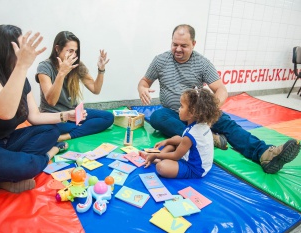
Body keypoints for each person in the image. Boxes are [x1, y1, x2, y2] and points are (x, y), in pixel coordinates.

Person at [137, 24, 300, 174]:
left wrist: (208, 110)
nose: (178, 49)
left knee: (227, 123)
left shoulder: (202, 63)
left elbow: (221, 89)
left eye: (184, 45)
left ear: (194, 44)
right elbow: (144, 81)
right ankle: (208, 138)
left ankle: (264, 153)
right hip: (172, 113)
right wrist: (142, 88)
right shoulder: (160, 60)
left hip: (197, 114)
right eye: (175, 44)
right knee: (158, 117)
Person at [0, 25, 86, 193]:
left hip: (3, 142)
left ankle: (1, 177)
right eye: (22, 47)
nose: (27, 52)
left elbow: (35, 117)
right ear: (7, 49)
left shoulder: (21, 78)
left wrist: (66, 115)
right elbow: (5, 113)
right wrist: (21, 66)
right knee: (25, 166)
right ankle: (48, 154)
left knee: (51, 131)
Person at [36, 31, 114, 142]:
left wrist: (101, 70)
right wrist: (61, 73)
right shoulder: (44, 67)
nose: (74, 55)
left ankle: (67, 136)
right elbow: (51, 101)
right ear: (57, 49)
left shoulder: (77, 64)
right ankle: (77, 130)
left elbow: (95, 89)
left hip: (74, 113)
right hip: (54, 116)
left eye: (76, 52)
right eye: (70, 51)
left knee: (108, 117)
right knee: (60, 127)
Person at [140, 88, 221, 178]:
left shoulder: (192, 133)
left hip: (195, 169)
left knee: (161, 167)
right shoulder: (202, 124)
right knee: (173, 141)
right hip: (197, 159)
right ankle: (159, 156)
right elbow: (182, 140)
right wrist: (167, 141)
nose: (179, 109)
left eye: (182, 106)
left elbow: (176, 156)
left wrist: (155, 155)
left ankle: (158, 158)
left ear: (192, 112)